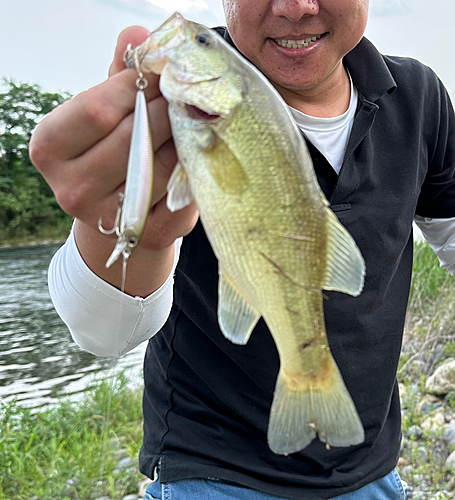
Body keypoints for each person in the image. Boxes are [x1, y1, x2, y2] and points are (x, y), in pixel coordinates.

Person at [30, 0, 454, 498]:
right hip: (211, 474)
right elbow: (105, 335)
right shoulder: (164, 109)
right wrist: (131, 230)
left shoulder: (420, 98)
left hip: (374, 468)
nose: (297, 6)